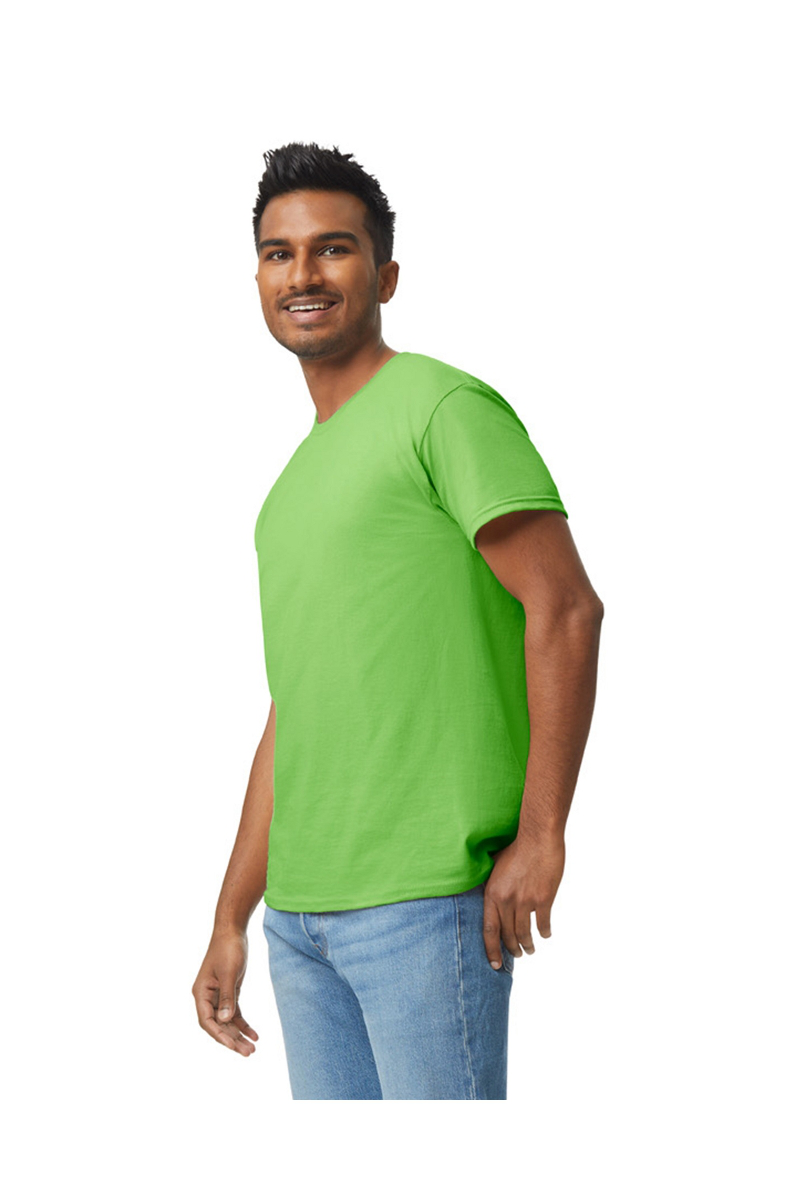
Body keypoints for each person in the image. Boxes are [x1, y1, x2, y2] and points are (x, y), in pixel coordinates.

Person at [191, 142, 604, 1100]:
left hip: (423, 904)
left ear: (384, 275)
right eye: (279, 253)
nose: (303, 273)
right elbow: (294, 714)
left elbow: (566, 607)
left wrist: (543, 833)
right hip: (300, 920)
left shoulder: (440, 407)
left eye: (332, 249)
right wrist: (230, 916)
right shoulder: (286, 493)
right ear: (259, 280)